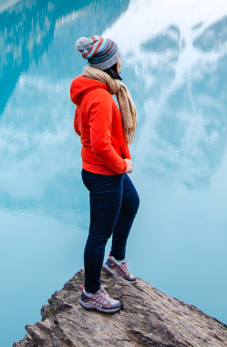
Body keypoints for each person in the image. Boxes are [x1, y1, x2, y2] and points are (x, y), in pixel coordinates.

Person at [70, 35, 140, 313]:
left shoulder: (92, 89)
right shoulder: (100, 96)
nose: (121, 60)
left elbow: (79, 127)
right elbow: (99, 145)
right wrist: (122, 165)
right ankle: (91, 293)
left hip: (101, 171)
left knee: (131, 204)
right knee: (99, 234)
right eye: (119, 56)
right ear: (111, 63)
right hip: (105, 175)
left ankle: (116, 260)